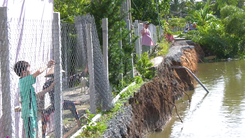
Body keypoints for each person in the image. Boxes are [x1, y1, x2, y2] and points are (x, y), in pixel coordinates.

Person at [41, 65, 88, 138]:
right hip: (56, 104)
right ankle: (43, 135)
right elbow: (72, 78)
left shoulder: (57, 81)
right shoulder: (50, 83)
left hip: (59, 103)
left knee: (71, 104)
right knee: (45, 115)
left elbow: (72, 78)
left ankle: (79, 123)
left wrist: (83, 72)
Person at [14, 60, 55, 138]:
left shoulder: (27, 84)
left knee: (32, 133)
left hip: (31, 113)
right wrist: (47, 65)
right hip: (29, 114)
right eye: (29, 70)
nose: (31, 72)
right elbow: (38, 72)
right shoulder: (24, 81)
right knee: (31, 135)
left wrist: (50, 87)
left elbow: (36, 95)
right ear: (24, 72)